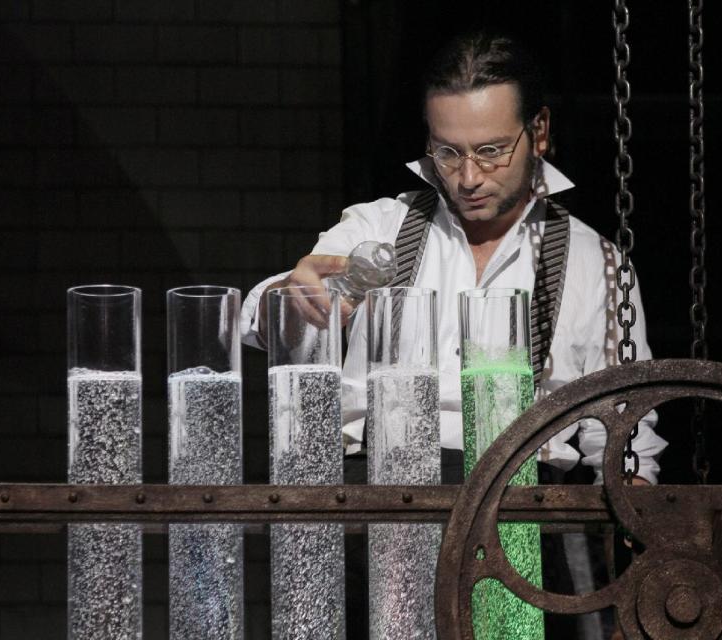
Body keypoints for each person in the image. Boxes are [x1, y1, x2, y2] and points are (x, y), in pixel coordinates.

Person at [240, 31, 666, 486]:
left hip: (520, 506)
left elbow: (627, 444)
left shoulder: (594, 261)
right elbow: (263, 318)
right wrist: (290, 303)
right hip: (376, 493)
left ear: (538, 132)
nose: (467, 178)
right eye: (448, 152)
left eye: (490, 151)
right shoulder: (378, 227)